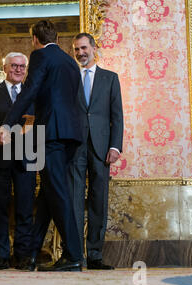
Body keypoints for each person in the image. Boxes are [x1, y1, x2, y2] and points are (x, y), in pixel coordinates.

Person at [0, 20, 84, 271]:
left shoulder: (39, 56)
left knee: (58, 194)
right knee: (47, 194)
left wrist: (7, 124)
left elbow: (29, 92)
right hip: (71, 135)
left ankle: (74, 255)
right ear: (56, 38)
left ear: (35, 38)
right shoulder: (70, 61)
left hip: (52, 134)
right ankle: (30, 254)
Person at [68, 32, 123, 269]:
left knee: (98, 201)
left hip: (102, 148)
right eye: (76, 49)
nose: (80, 53)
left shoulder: (110, 78)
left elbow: (117, 115)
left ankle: (95, 256)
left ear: (93, 48)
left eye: (83, 48)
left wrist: (115, 146)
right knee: (74, 201)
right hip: (74, 147)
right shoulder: (69, 78)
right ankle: (75, 255)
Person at [0, 52, 36, 271]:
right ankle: (1, 257)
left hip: (26, 158)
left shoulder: (32, 93)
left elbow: (38, 120)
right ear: (5, 67)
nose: (19, 69)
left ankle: (22, 257)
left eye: (22, 66)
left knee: (25, 209)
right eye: (14, 66)